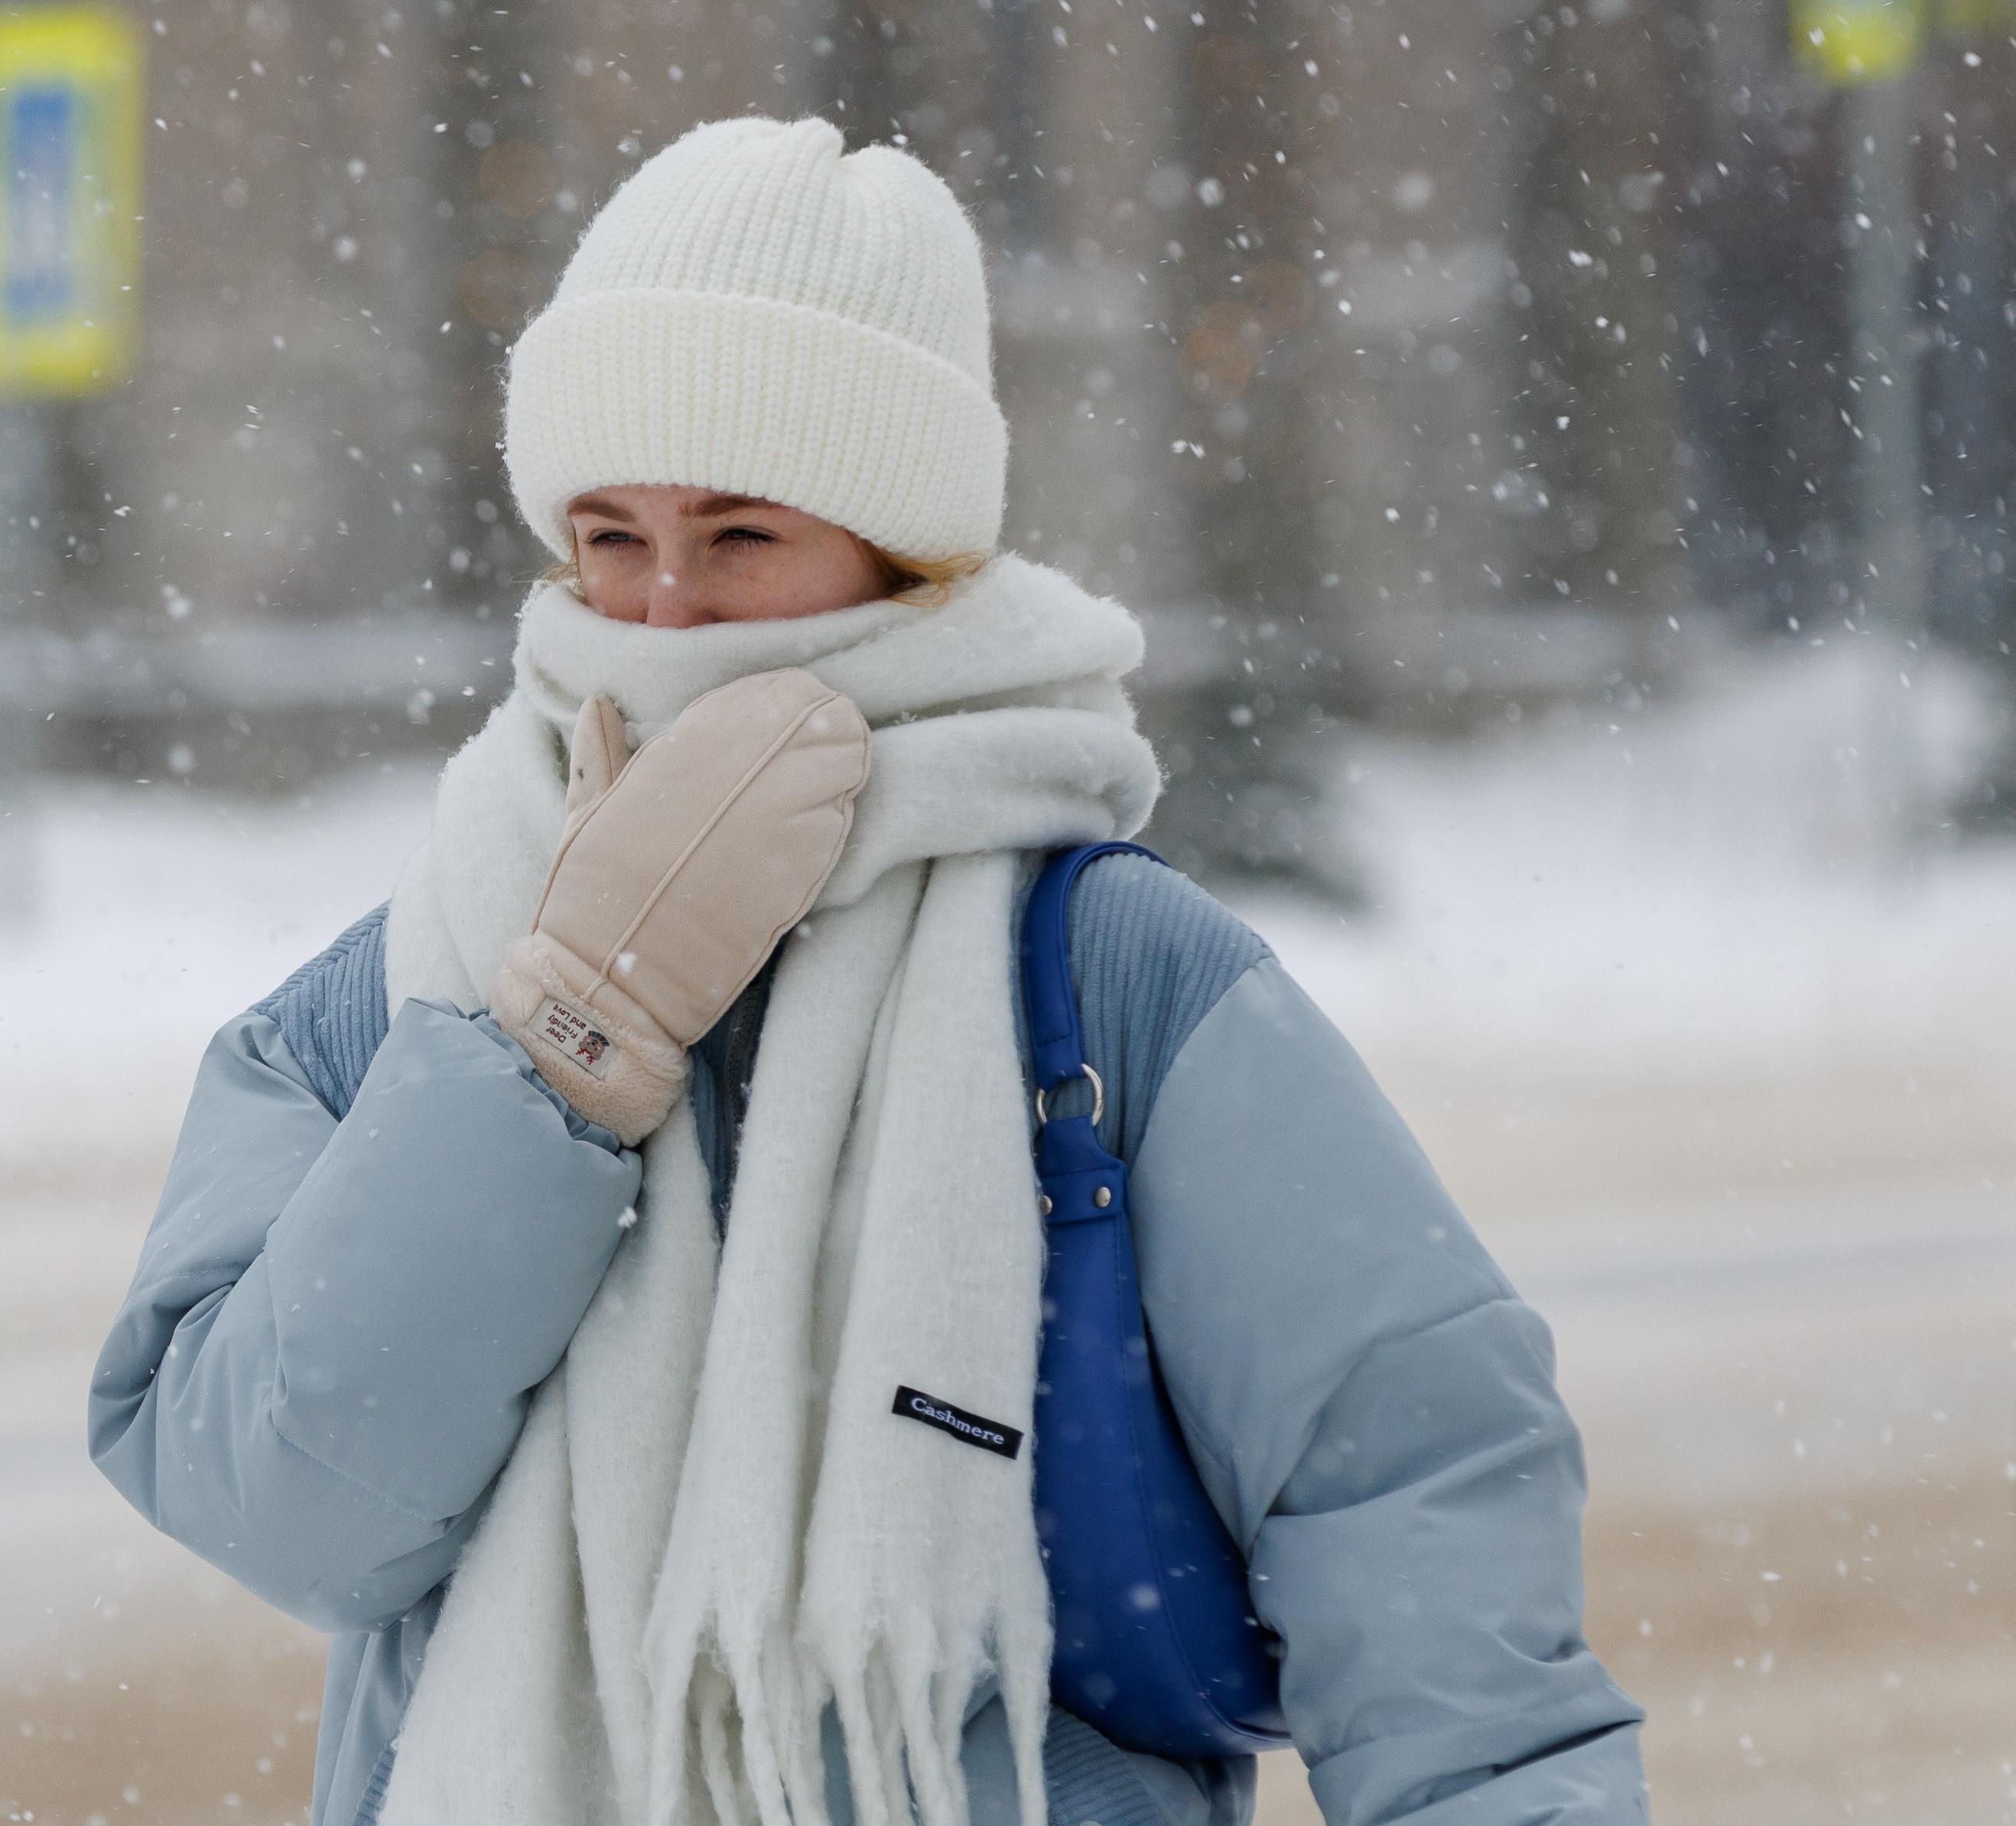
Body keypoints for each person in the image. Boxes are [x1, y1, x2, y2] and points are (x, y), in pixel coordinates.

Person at [89, 117, 1647, 1826]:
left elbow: (1405, 1477)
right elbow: (275, 1505)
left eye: (740, 535)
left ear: (903, 555)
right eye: (608, 535)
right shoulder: (408, 977)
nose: (664, 606)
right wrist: (558, 1049)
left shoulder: (1107, 969)